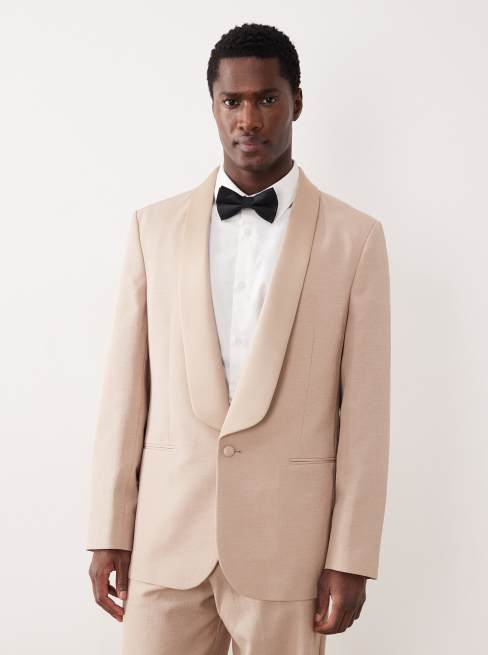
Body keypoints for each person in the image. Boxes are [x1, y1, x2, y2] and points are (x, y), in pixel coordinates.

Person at [86, 22, 391, 655]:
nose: (248, 119)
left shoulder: (355, 239)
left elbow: (365, 414)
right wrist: (109, 527)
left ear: (296, 102)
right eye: (233, 101)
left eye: (266, 99)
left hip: (289, 552)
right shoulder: (153, 229)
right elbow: (125, 391)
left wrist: (352, 554)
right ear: (214, 106)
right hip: (166, 541)